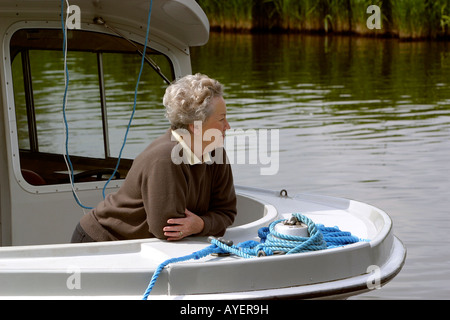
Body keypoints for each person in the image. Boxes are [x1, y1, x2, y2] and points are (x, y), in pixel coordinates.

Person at [71, 73, 237, 242]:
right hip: (101, 242)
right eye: (222, 119)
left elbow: (227, 212)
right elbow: (166, 229)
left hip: (141, 247)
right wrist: (209, 224)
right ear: (196, 126)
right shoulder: (165, 159)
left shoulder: (216, 152)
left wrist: (201, 224)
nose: (228, 126)